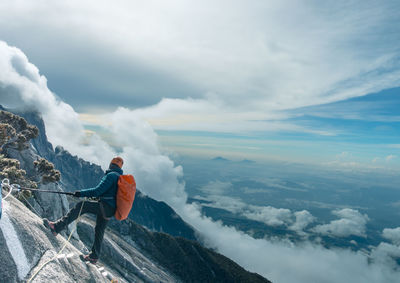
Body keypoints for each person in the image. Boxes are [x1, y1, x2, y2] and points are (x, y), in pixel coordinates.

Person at [43, 157, 124, 264]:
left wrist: (80, 193)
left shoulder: (111, 176)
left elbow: (97, 191)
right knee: (99, 230)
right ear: (120, 167)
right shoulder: (120, 178)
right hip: (112, 210)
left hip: (105, 206)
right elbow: (110, 194)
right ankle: (94, 257)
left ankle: (57, 227)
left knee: (82, 205)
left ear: (111, 164)